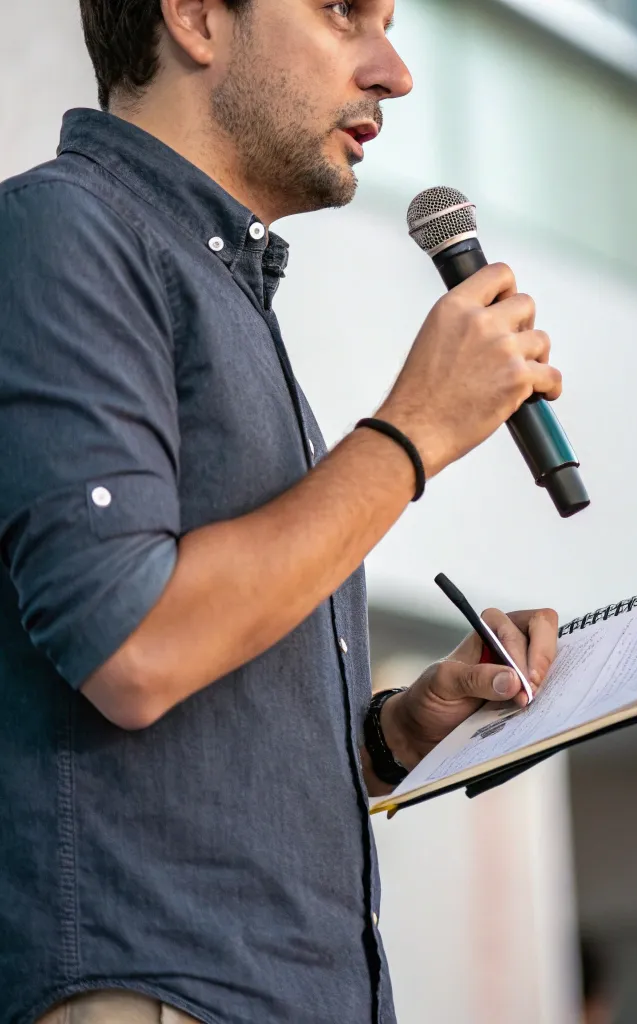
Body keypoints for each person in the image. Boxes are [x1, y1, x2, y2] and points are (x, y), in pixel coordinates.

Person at [0, 1, 565, 1022]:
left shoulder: (225, 295)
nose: (393, 70)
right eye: (344, 11)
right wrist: (413, 431)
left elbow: (195, 741)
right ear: (196, 16)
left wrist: (395, 730)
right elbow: (133, 645)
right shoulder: (64, 228)